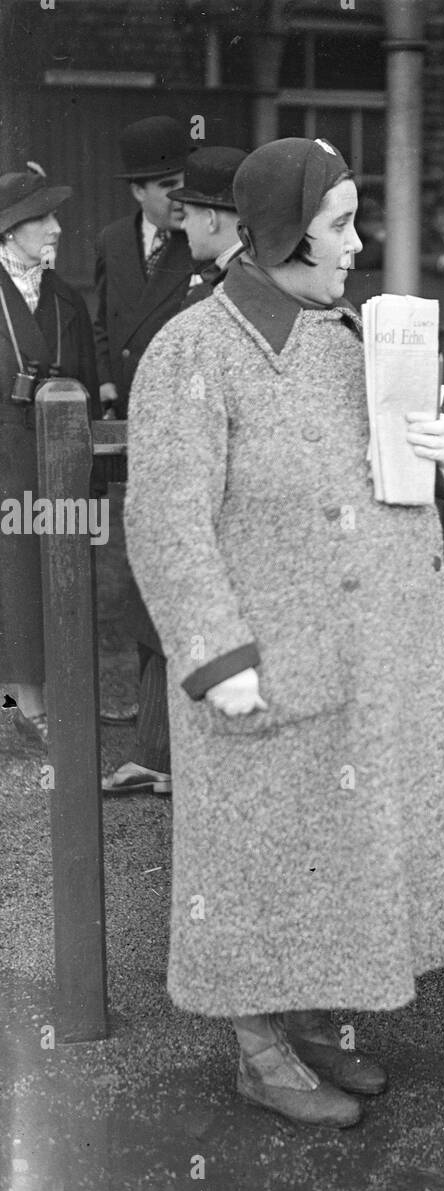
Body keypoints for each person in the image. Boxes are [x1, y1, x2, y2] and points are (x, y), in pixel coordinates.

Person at [124, 138, 444, 1126]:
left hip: (354, 665)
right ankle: (255, 1050)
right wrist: (215, 656)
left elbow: (375, 481)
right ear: (281, 234)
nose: (355, 246)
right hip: (261, 668)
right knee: (252, 864)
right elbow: (165, 522)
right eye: (339, 226)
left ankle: (303, 1022)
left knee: (323, 858)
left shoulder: (344, 338)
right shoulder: (190, 354)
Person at [96, 116, 202, 797]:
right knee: (142, 576)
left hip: (182, 429)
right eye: (166, 187)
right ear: (138, 191)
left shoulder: (203, 247)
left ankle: (166, 745)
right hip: (131, 428)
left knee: (175, 577)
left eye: (184, 186)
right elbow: (106, 320)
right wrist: (108, 387)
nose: (179, 200)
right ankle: (157, 741)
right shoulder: (109, 242)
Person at [0, 165, 99, 750]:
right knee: (14, 578)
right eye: (44, 218)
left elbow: (85, 378)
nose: (57, 228)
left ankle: (55, 700)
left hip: (59, 457)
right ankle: (24, 703)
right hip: (5, 460)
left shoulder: (66, 299)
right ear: (10, 230)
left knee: (63, 574)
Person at [169, 146, 248, 306]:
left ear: (211, 220)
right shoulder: (259, 271)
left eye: (186, 215)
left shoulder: (228, 288)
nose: (183, 225)